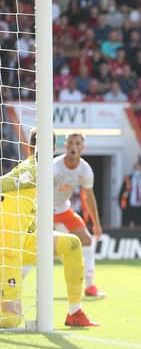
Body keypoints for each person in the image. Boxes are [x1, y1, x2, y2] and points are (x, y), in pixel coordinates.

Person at [0, 129, 98, 328]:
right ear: (31, 148)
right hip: (7, 248)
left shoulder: (44, 173)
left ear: (53, 149)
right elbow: (4, 184)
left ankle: (74, 312)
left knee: (71, 244)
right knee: (10, 321)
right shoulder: (32, 170)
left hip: (24, 243)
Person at [53, 133, 104, 297]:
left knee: (87, 240)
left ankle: (90, 286)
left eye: (77, 143)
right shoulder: (55, 166)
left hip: (63, 209)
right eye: (71, 143)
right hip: (43, 209)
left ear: (82, 148)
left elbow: (88, 197)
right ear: (65, 146)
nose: (74, 147)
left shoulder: (85, 170)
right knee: (34, 248)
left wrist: (96, 223)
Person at [119, 159, 141, 227]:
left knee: (138, 226)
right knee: (125, 226)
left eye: (139, 169)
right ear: (133, 169)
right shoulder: (128, 179)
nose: (138, 170)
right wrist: (122, 206)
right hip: (128, 207)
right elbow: (122, 193)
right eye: (136, 168)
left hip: (139, 207)